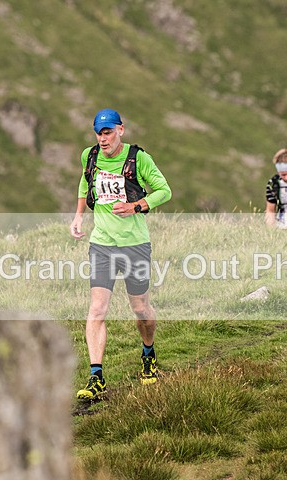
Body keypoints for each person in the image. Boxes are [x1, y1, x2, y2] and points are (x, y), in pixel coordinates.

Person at [69, 108, 172, 401]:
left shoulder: (138, 158)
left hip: (135, 244)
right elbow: (84, 182)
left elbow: (164, 191)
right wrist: (78, 216)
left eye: (108, 132)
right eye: (99, 133)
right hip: (101, 243)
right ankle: (96, 376)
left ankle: (148, 354)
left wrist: (135, 206)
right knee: (97, 309)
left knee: (140, 309)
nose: (103, 139)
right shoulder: (89, 156)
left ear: (121, 130)